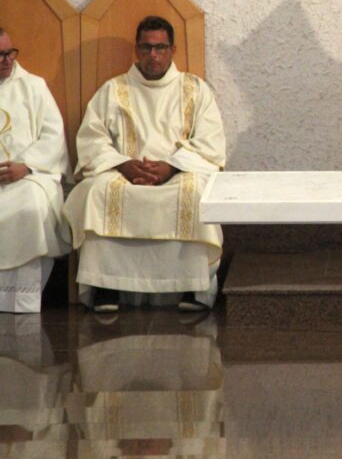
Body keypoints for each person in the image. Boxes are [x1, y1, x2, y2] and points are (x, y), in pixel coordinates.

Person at [63, 16, 226, 313]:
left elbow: (210, 144)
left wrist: (171, 167)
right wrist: (124, 164)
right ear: (137, 50)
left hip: (179, 172)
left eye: (160, 47)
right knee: (98, 190)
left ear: (173, 49)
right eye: (147, 47)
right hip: (126, 172)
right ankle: (105, 286)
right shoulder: (113, 90)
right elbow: (92, 139)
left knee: (194, 193)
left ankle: (192, 287)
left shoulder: (195, 89)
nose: (154, 55)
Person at [0, 28, 71, 313]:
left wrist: (26, 165)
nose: (6, 61)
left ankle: (21, 301)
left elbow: (53, 135)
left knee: (31, 204)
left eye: (9, 53)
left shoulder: (34, 86)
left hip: (27, 177)